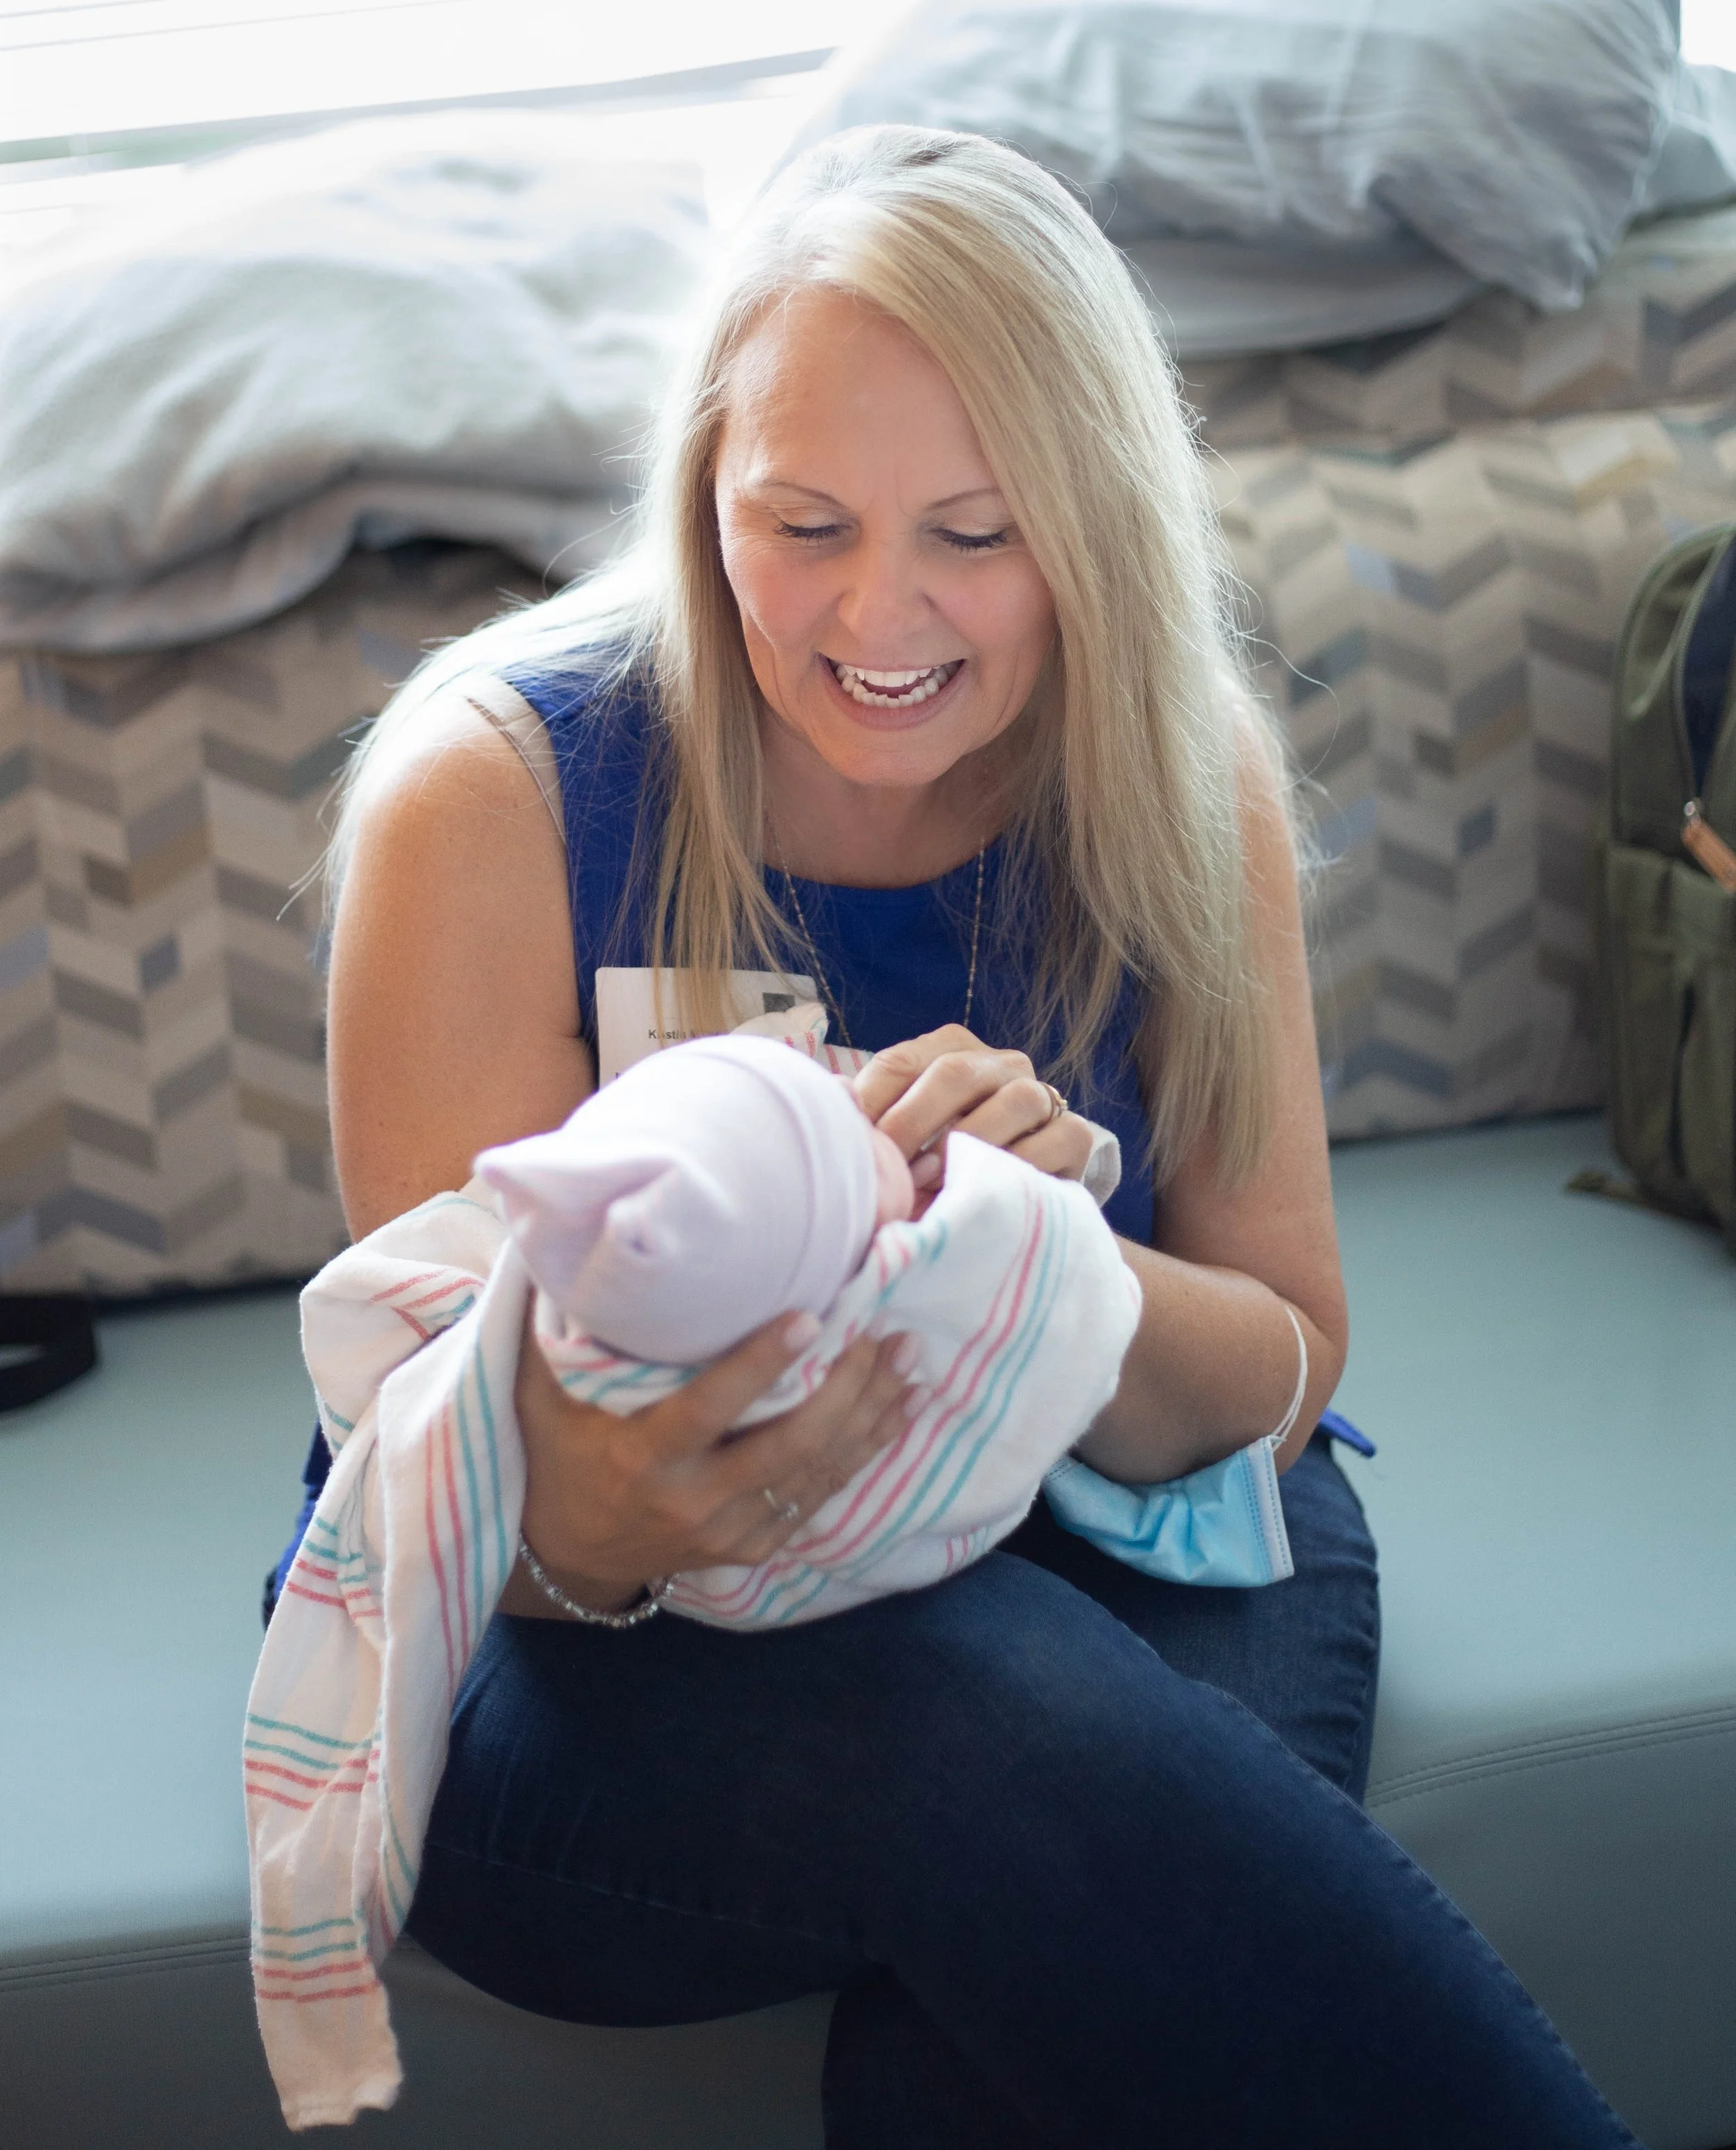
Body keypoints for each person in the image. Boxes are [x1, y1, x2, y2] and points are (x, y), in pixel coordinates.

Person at [309, 125, 1637, 2145]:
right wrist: (678, 1452)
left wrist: (1056, 1263)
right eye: (803, 523)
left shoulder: (1185, 780)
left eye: (974, 532)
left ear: (1089, 524)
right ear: (703, 493)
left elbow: (1278, 1371)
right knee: (989, 1716)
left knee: (1001, 2020)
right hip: (580, 1637)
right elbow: (482, 1511)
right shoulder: (492, 796)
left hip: (1113, 1528)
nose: (878, 616)